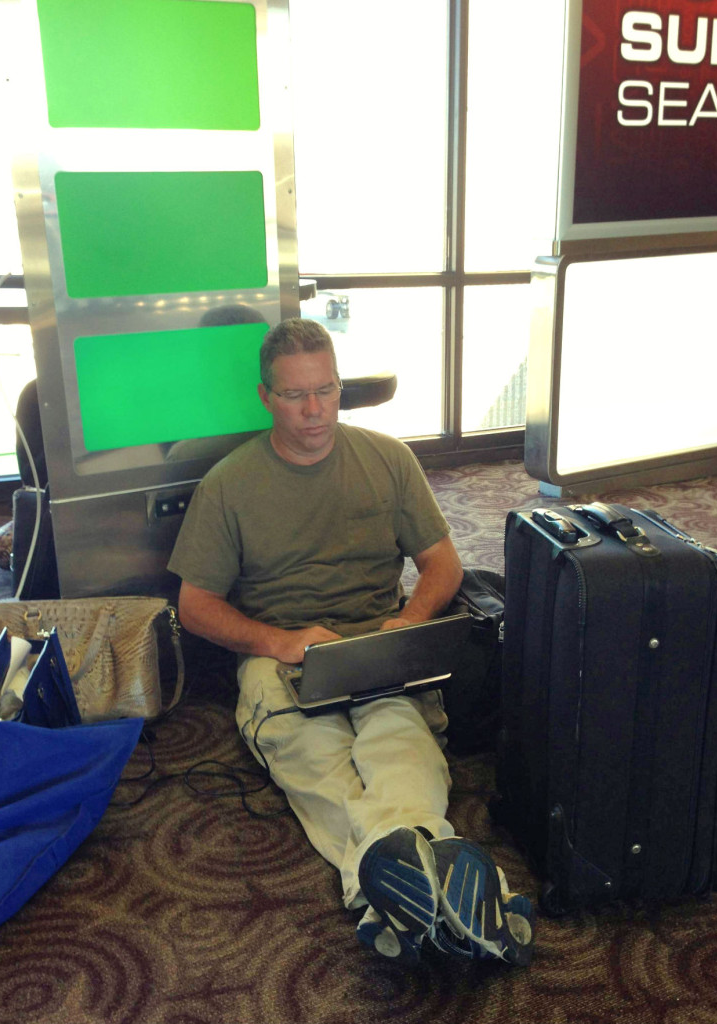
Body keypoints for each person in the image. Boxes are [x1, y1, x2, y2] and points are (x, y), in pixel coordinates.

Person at [168, 317, 534, 966]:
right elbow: (194, 608)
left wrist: (411, 618)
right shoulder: (229, 484)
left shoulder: (386, 459)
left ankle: (391, 896)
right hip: (276, 660)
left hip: (376, 646)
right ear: (265, 398)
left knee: (400, 744)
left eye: (326, 390)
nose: (313, 410)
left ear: (340, 388)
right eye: (294, 395)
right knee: (316, 761)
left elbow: (441, 566)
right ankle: (458, 885)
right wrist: (277, 641)